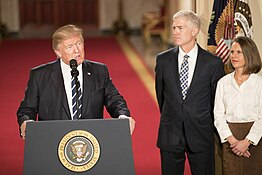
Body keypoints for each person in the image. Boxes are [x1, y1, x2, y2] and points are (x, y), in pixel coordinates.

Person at [17, 24, 135, 139]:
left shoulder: (99, 71)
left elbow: (114, 99)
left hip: (91, 141)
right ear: (58, 52)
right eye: (70, 47)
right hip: (53, 139)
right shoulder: (40, 75)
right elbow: (27, 108)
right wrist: (26, 121)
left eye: (79, 44)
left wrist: (123, 116)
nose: (76, 51)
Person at [155, 10, 225, 175]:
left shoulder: (213, 63)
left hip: (201, 135)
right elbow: (161, 96)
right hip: (170, 133)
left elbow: (216, 101)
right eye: (174, 28)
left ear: (194, 31)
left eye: (180, 28)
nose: (175, 32)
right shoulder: (163, 60)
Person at [214, 36, 262, 175]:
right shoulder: (223, 82)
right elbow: (218, 115)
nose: (234, 56)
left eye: (239, 52)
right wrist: (233, 141)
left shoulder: (259, 83)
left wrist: (247, 142)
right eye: (232, 52)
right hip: (230, 139)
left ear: (249, 54)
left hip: (254, 139)